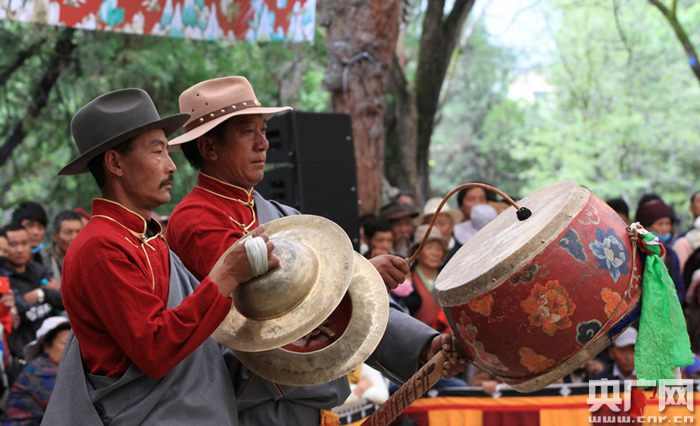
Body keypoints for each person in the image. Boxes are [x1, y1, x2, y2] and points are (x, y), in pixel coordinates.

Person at [166, 76, 466, 425]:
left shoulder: (281, 215)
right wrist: (362, 276)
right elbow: (270, 303)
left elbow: (350, 300)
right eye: (247, 132)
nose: (263, 144)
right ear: (209, 148)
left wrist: (423, 345)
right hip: (253, 406)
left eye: (263, 130)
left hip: (305, 400)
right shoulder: (195, 220)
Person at [44, 87, 278, 425]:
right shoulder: (99, 247)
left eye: (168, 152)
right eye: (157, 152)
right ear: (115, 163)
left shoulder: (149, 237)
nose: (171, 166)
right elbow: (154, 350)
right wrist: (227, 275)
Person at [2, 222, 61, 361]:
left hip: (53, 349)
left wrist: (40, 294)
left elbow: (63, 300)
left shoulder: (39, 269)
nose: (20, 249)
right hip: (23, 355)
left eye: (24, 243)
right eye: (13, 244)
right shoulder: (3, 278)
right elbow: (20, 309)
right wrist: (46, 292)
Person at [3, 316, 70, 424]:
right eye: (65, 343)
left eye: (73, 345)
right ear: (47, 346)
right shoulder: (42, 371)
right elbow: (69, 406)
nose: (71, 350)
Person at [635, 198, 685, 303]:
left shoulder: (671, 254)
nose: (665, 228)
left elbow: (679, 287)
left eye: (668, 223)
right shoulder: (636, 253)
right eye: (660, 224)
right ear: (646, 227)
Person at [46, 210, 83, 284]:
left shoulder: (89, 258)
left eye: (79, 232)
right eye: (68, 232)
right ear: (55, 236)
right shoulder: (45, 262)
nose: (74, 237)